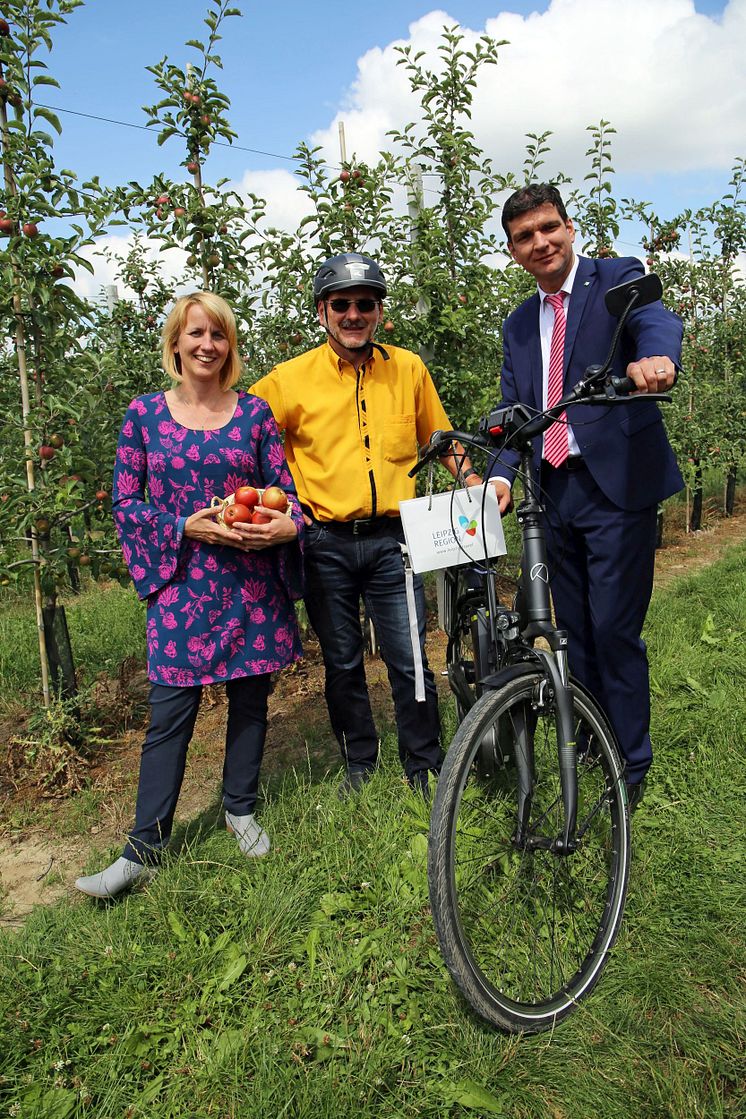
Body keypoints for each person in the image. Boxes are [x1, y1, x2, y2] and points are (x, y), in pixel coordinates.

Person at [75, 292, 304, 898]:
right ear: (175, 341)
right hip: (181, 584)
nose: (207, 345)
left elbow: (285, 493)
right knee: (170, 714)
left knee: (250, 701)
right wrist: (184, 525)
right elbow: (127, 503)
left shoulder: (254, 415)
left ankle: (240, 808)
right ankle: (144, 847)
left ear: (230, 346)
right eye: (196, 333)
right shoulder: (144, 416)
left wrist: (288, 525)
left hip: (251, 584)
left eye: (219, 335)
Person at [251, 252, 481, 795]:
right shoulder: (288, 381)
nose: (354, 314)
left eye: (365, 304)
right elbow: (244, 439)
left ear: (379, 311)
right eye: (342, 304)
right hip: (324, 541)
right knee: (343, 662)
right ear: (322, 311)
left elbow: (440, 440)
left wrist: (471, 480)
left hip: (394, 540)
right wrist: (271, 499)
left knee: (409, 658)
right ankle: (360, 763)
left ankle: (423, 764)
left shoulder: (408, 369)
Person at [492, 183, 683, 809]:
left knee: (614, 629)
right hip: (550, 492)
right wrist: (496, 473)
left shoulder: (617, 278)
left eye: (549, 228)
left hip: (615, 488)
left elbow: (655, 319)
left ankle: (631, 766)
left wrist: (655, 357)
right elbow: (513, 409)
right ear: (514, 251)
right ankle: (598, 742)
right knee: (569, 632)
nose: (540, 242)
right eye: (525, 236)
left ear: (569, 228)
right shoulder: (520, 323)